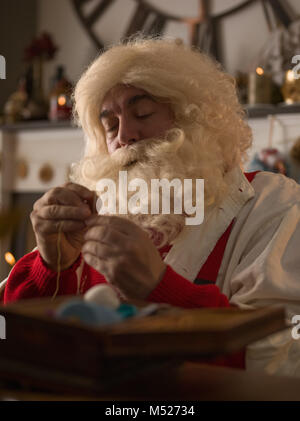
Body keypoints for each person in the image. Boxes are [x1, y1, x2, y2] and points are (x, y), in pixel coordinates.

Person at [2, 37, 300, 377]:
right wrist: (51, 266)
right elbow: (16, 345)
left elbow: (284, 356)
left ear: (194, 117)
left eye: (142, 112)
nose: (124, 134)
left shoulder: (270, 203)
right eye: (110, 125)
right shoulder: (92, 221)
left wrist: (159, 287)